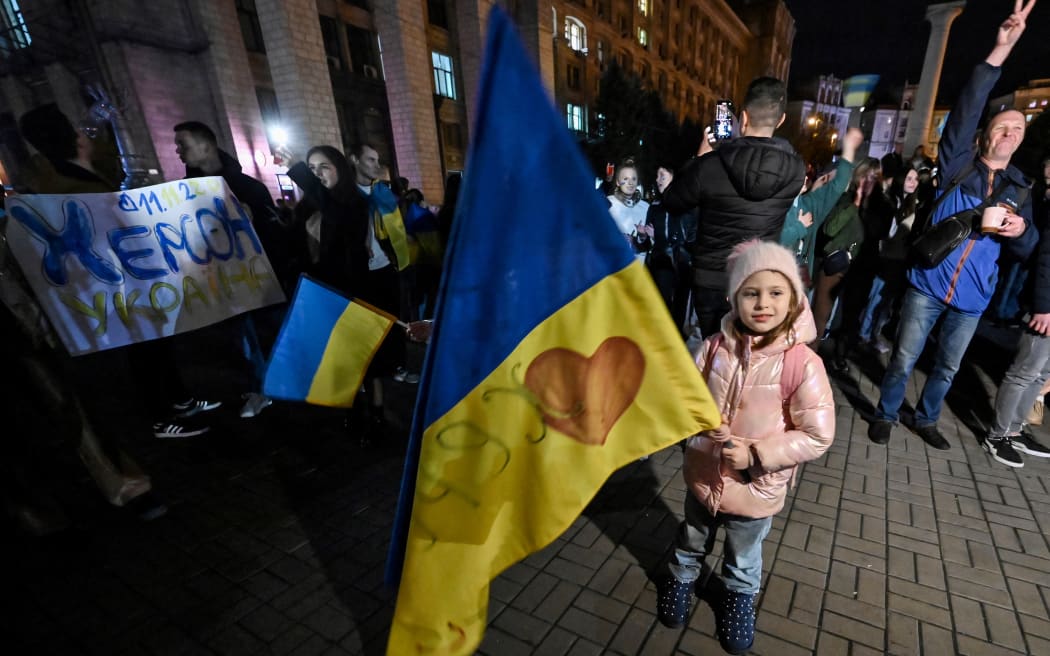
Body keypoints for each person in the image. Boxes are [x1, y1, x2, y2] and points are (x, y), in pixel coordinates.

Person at [868, 0, 1039, 450]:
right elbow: (967, 107)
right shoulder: (957, 164)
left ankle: (926, 419)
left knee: (946, 367)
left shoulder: (1019, 189)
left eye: (1017, 130)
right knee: (904, 358)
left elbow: (1028, 249)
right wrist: (999, 52)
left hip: (973, 299)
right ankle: (886, 413)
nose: (1009, 133)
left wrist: (1021, 232)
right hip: (928, 283)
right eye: (1002, 126)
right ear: (985, 136)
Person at [657, 240, 834, 654]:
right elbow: (690, 396)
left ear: (794, 298)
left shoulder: (802, 363)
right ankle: (682, 580)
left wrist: (756, 454)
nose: (762, 303)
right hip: (703, 474)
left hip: (756, 487)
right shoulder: (714, 346)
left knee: (743, 551)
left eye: (775, 292)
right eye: (751, 292)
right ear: (733, 297)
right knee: (692, 537)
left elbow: (817, 435)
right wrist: (693, 419)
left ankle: (738, 597)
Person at [662, 77, 806, 340]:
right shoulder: (796, 170)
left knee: (713, 352)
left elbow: (672, 201)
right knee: (746, 357)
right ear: (781, 119)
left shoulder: (711, 165)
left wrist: (700, 159)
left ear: (743, 116)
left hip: (711, 281)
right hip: (755, 281)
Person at [174, 121, 287, 419]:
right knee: (241, 339)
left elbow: (277, 236)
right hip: (220, 283)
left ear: (206, 146)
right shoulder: (181, 194)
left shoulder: (249, 187)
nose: (178, 151)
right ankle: (256, 387)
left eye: (183, 144)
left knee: (268, 334)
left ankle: (275, 385)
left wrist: (255, 224)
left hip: (259, 282)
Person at [779, 128, 864, 289]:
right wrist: (799, 228)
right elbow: (771, 241)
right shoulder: (773, 204)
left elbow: (838, 185)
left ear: (804, 183)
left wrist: (849, 149)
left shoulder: (809, 204)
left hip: (799, 285)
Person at [857, 166, 926, 352]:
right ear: (901, 179)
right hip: (884, 258)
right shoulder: (890, 201)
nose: (913, 182)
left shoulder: (915, 205)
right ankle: (863, 336)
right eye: (909, 178)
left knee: (886, 303)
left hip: (900, 261)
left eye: (916, 179)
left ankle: (873, 334)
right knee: (874, 300)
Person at [645, 164, 695, 331]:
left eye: (662, 176)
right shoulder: (655, 207)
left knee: (679, 311)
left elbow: (690, 237)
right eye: (657, 176)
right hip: (661, 263)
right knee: (661, 308)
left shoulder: (688, 206)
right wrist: (645, 236)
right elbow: (648, 240)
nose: (658, 180)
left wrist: (658, 236)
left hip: (682, 266)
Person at [606, 159, 652, 260]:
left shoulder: (646, 207)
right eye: (625, 179)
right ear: (618, 182)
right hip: (614, 267)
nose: (630, 183)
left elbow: (652, 245)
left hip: (638, 269)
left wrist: (641, 237)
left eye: (634, 179)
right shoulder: (608, 204)